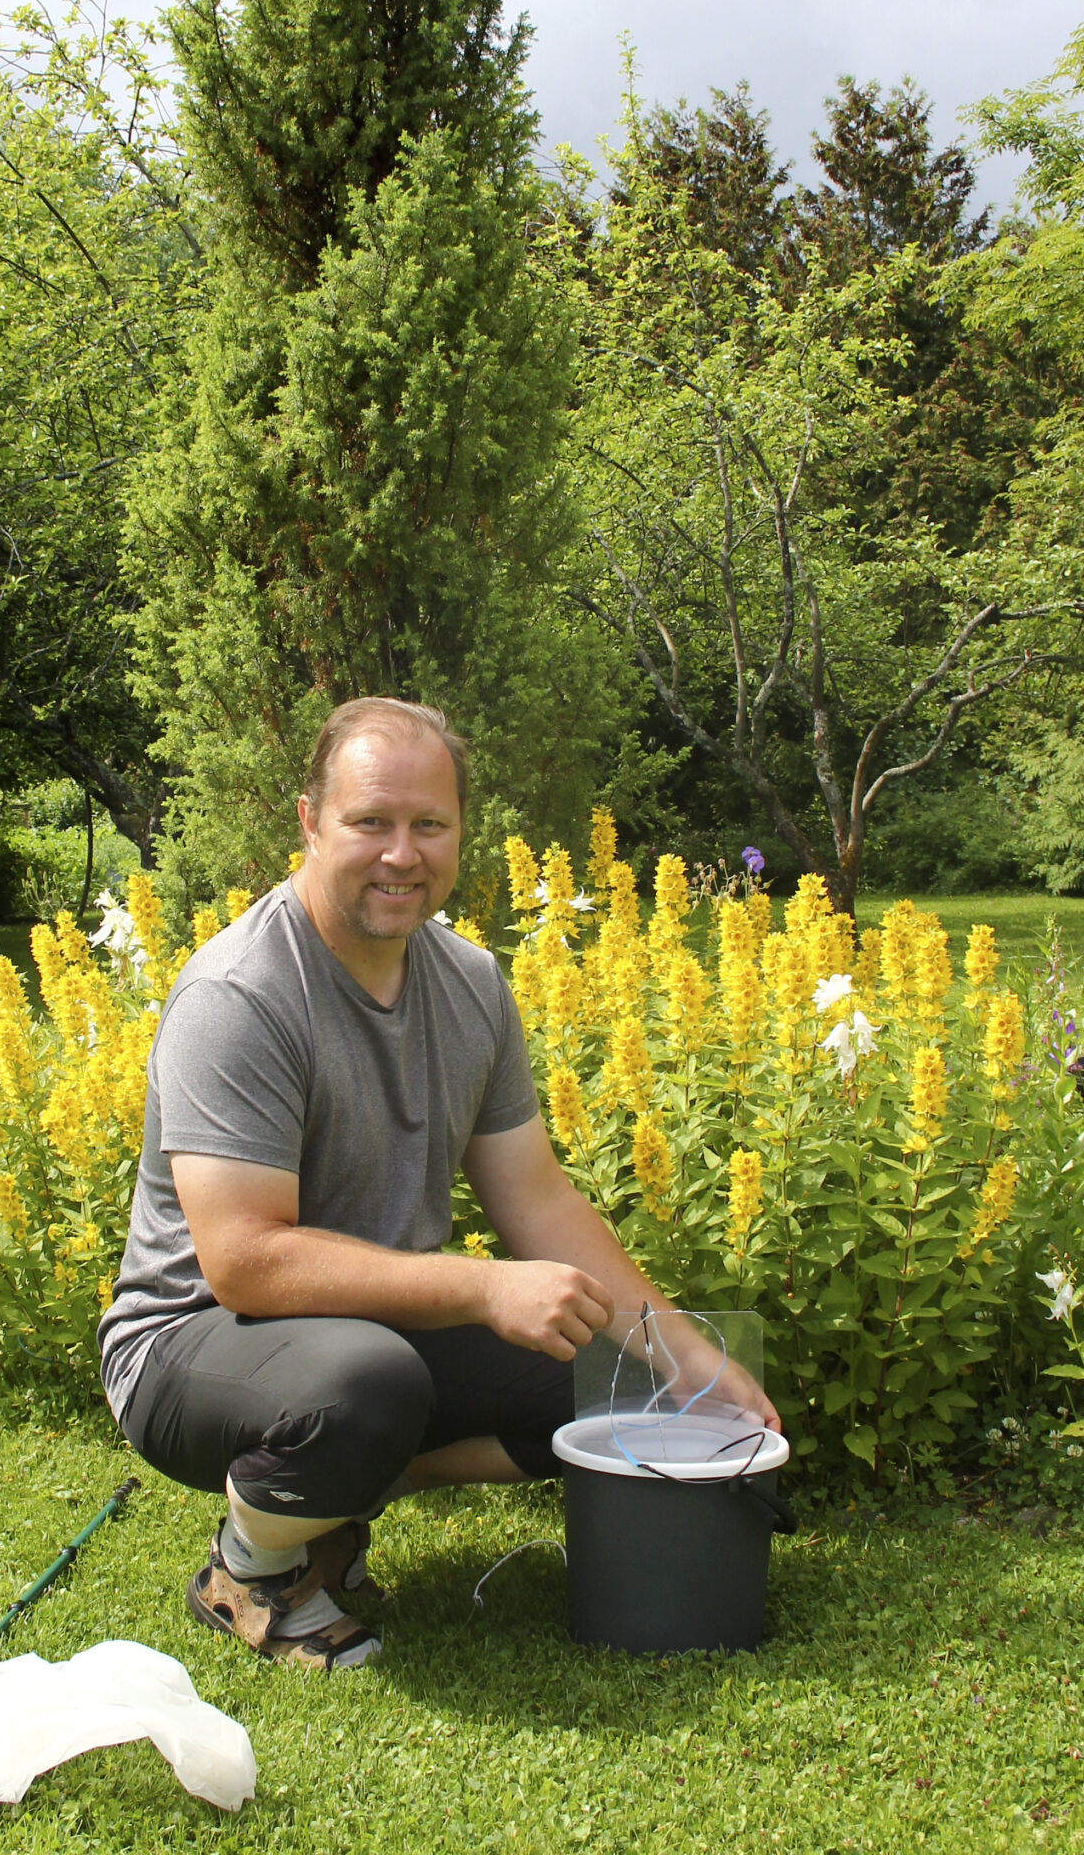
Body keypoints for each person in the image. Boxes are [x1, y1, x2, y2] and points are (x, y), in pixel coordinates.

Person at [98, 696, 781, 1671]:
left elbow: (536, 1200)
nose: (400, 853)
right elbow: (245, 1262)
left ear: (461, 831)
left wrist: (684, 1354)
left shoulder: (469, 984)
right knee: (367, 1386)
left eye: (429, 824)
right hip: (186, 1345)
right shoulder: (239, 994)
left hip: (368, 1332)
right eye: (369, 821)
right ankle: (250, 1569)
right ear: (309, 822)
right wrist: (481, 1285)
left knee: (604, 1372)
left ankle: (335, 1499)